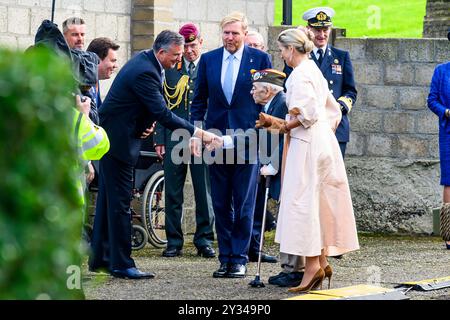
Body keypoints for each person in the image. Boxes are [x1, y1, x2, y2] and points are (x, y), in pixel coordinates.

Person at [88, 30, 216, 279]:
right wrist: (198, 133)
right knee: (120, 203)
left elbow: (143, 107)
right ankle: (122, 264)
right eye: (176, 55)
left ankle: (102, 258)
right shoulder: (146, 70)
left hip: (118, 138)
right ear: (161, 52)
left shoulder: (146, 61)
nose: (178, 61)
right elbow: (162, 112)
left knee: (108, 201)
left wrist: (145, 124)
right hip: (119, 143)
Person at [272, 27, 359, 293]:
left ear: (290, 49)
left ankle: (311, 268)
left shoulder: (298, 75)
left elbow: (307, 114)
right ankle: (320, 261)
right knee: (319, 202)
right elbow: (331, 109)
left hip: (307, 142)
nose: (282, 56)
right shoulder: (314, 70)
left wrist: (284, 126)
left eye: (282, 50)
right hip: (323, 141)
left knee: (304, 202)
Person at [190, 12, 272, 278]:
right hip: (215, 141)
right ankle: (225, 257)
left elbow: (268, 100)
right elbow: (198, 101)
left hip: (247, 141)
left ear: (244, 34)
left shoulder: (259, 60)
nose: (230, 38)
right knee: (222, 204)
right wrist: (196, 133)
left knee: (245, 203)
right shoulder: (209, 60)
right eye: (226, 33)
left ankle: (239, 257)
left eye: (235, 33)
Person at [153, 23, 216, 258]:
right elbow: (160, 105)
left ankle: (204, 239)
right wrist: (159, 138)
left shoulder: (209, 67)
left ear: (201, 43)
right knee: (173, 191)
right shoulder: (170, 67)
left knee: (203, 190)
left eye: (193, 45)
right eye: (186, 46)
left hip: (202, 137)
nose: (189, 51)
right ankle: (173, 241)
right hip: (174, 137)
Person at [246, 69, 289, 264]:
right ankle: (254, 248)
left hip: (280, 166)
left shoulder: (281, 103)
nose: (251, 92)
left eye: (255, 88)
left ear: (268, 90)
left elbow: (284, 137)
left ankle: (292, 263)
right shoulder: (271, 104)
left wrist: (272, 163)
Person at [303, 7, 357, 158]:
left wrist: (335, 109)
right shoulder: (301, 56)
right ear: (308, 30)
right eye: (317, 30)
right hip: (308, 126)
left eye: (325, 29)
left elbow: (350, 91)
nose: (322, 34)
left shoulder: (341, 56)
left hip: (335, 126)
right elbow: (288, 85)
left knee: (333, 178)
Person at [427, 30, 450, 250]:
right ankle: (449, 233)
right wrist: (446, 112)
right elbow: (431, 100)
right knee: (449, 180)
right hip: (448, 132)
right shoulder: (441, 71)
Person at [87, 37, 120, 110]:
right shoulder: (83, 83)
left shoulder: (94, 79)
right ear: (97, 59)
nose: (116, 66)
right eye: (112, 61)